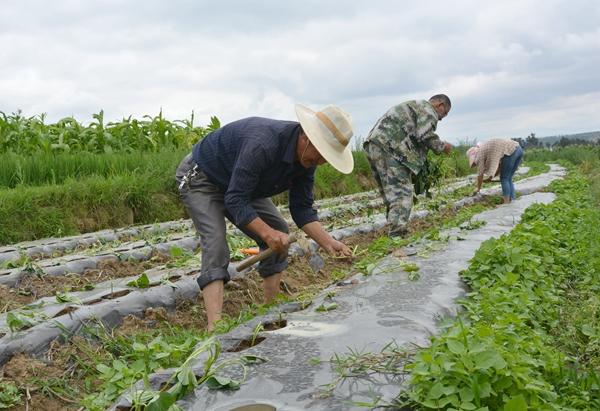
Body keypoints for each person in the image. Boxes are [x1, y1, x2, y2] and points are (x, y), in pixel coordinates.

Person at [176, 104, 354, 331]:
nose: (320, 161)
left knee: (278, 226)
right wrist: (267, 234)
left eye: (325, 158)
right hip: (202, 177)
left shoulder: (307, 161)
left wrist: (328, 242)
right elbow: (236, 200)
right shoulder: (263, 144)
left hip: (238, 183)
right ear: (306, 137)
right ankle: (215, 328)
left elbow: (302, 209)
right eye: (320, 153)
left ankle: (270, 311)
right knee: (215, 241)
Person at [362, 94, 454, 237]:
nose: (442, 118)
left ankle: (393, 229)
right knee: (402, 194)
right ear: (440, 105)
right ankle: (397, 236)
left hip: (374, 145)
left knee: (391, 194)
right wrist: (443, 147)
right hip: (391, 149)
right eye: (445, 113)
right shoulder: (428, 110)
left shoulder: (415, 106)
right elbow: (425, 135)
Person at [466, 138, 524, 204]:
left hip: (510, 151)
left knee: (504, 178)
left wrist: (478, 188)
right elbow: (498, 167)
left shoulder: (479, 154)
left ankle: (506, 203)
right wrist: (490, 178)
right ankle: (513, 200)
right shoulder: (486, 148)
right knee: (508, 178)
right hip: (518, 149)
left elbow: (480, 174)